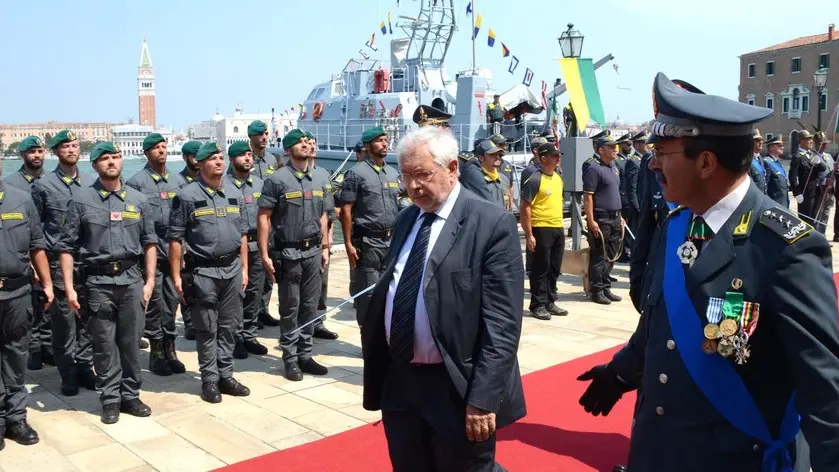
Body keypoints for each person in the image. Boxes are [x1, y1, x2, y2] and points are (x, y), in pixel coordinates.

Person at [578, 72, 839, 472]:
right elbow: (657, 326)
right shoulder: (677, 226)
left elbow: (825, 389)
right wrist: (619, 374)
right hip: (656, 450)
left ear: (705, 162)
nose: (652, 164)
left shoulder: (786, 247)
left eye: (662, 152)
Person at [361, 126, 526, 471]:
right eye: (406, 176)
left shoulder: (490, 223)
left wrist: (482, 399)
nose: (412, 187)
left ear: (452, 168)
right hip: (401, 384)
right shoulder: (407, 219)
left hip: (456, 387)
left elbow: (502, 324)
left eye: (421, 175)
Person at [58, 142, 156, 424]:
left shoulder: (138, 200)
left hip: (132, 280)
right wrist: (69, 288)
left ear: (122, 160)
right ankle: (110, 399)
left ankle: (131, 395)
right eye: (104, 159)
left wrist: (149, 282)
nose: (111, 162)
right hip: (98, 282)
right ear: (95, 166)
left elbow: (150, 242)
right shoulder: (81, 201)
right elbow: (66, 247)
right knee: (103, 344)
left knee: (131, 342)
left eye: (115, 157)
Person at [167, 141, 251, 403]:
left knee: (229, 327)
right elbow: (175, 239)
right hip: (203, 272)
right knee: (207, 328)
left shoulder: (234, 193)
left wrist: (245, 269)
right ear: (200, 164)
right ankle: (209, 379)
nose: (219, 162)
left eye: (220, 158)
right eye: (212, 158)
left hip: (233, 269)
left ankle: (226, 374)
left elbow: (244, 236)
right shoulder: (186, 195)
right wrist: (177, 276)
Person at [257, 130, 331, 381]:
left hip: (313, 251)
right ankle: (289, 358)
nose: (306, 145)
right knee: (290, 307)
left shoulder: (320, 177)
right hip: (288, 253)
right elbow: (264, 217)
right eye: (300, 143)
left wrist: (324, 248)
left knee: (310, 306)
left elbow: (323, 214)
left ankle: (305, 355)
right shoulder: (277, 180)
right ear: (288, 150)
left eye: (307, 142)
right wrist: (265, 253)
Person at [32, 129, 95, 396]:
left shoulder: (92, 182)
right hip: (58, 264)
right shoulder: (43, 186)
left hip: (88, 262)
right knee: (63, 323)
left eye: (74, 145)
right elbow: (34, 231)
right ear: (55, 152)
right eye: (65, 146)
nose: (71, 150)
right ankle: (67, 372)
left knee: (88, 320)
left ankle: (85, 367)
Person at [0, 158, 53, 448]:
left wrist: (47, 283)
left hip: (17, 294)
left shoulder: (21, 199)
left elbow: (37, 246)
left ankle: (16, 418)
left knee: (16, 356)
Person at [126, 133, 187, 376]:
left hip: (173, 251)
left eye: (164, 147)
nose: (161, 151)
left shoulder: (177, 182)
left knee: (172, 302)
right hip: (150, 252)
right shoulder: (136, 183)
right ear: (146, 153)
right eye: (155, 148)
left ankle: (170, 348)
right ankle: (157, 351)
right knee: (154, 305)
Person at [338, 127, 401, 327]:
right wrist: (348, 243)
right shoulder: (356, 174)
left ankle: (384, 336)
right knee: (368, 294)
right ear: (367, 145)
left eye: (385, 139)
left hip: (390, 241)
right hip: (368, 243)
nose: (384, 144)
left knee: (388, 291)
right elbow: (346, 210)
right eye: (379, 140)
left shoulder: (392, 173)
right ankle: (367, 340)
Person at [4, 136, 54, 371]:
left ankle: (47, 345)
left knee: (46, 303)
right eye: (31, 152)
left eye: (39, 151)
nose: (36, 155)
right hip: (23, 251)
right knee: (29, 305)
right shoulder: (12, 184)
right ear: (22, 155)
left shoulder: (52, 180)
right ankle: (33, 348)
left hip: (47, 250)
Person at [224, 142, 269, 359]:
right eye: (242, 155)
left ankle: (250, 334)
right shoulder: (222, 185)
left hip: (256, 245)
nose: (248, 158)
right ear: (232, 160)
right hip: (234, 247)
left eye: (249, 154)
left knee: (254, 292)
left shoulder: (260, 184)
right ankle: (235, 338)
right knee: (235, 295)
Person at [520, 143, 569, 320]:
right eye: (554, 156)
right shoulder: (534, 179)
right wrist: (529, 234)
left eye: (558, 155)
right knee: (541, 267)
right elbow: (525, 207)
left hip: (557, 227)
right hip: (541, 228)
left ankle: (550, 300)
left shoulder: (558, 178)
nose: (558, 158)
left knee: (554, 267)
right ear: (543, 158)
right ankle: (537, 303)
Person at [303, 132, 340, 340]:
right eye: (308, 143)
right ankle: (300, 327)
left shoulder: (324, 174)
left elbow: (329, 208)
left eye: (314, 142)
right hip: (300, 241)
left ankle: (318, 322)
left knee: (322, 282)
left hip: (321, 239)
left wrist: (329, 237)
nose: (312, 146)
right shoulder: (290, 175)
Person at [247, 120, 283, 331]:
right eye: (259, 134)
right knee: (253, 275)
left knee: (269, 272)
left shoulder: (272, 159)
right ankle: (250, 314)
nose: (264, 137)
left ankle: (263, 310)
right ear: (251, 137)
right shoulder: (245, 158)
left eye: (266, 134)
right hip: (252, 221)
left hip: (271, 223)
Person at [583, 135, 624, 305]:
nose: (615, 149)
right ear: (601, 150)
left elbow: (615, 193)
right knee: (599, 256)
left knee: (612, 256)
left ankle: (606, 287)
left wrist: (621, 217)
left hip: (615, 217)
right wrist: (591, 220)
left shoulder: (613, 166)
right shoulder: (594, 168)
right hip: (602, 219)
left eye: (615, 146)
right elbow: (588, 197)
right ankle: (597, 290)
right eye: (611, 147)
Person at [177, 140, 202, 341]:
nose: (197, 160)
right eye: (194, 156)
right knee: (187, 282)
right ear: (186, 158)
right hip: (185, 239)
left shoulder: (208, 180)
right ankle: (189, 322)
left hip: (203, 239)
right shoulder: (177, 183)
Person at [789, 130, 825, 227]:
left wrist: (819, 162)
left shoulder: (812, 153)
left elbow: (823, 168)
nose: (811, 141)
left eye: (811, 139)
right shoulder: (797, 157)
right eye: (808, 139)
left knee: (814, 219)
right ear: (801, 141)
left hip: (816, 192)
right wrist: (797, 193)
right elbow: (792, 176)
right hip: (805, 194)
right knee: (805, 221)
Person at [763, 136, 789, 208]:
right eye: (780, 146)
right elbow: (765, 186)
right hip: (775, 203)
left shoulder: (776, 162)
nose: (782, 147)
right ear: (771, 148)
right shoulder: (766, 162)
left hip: (782, 202)